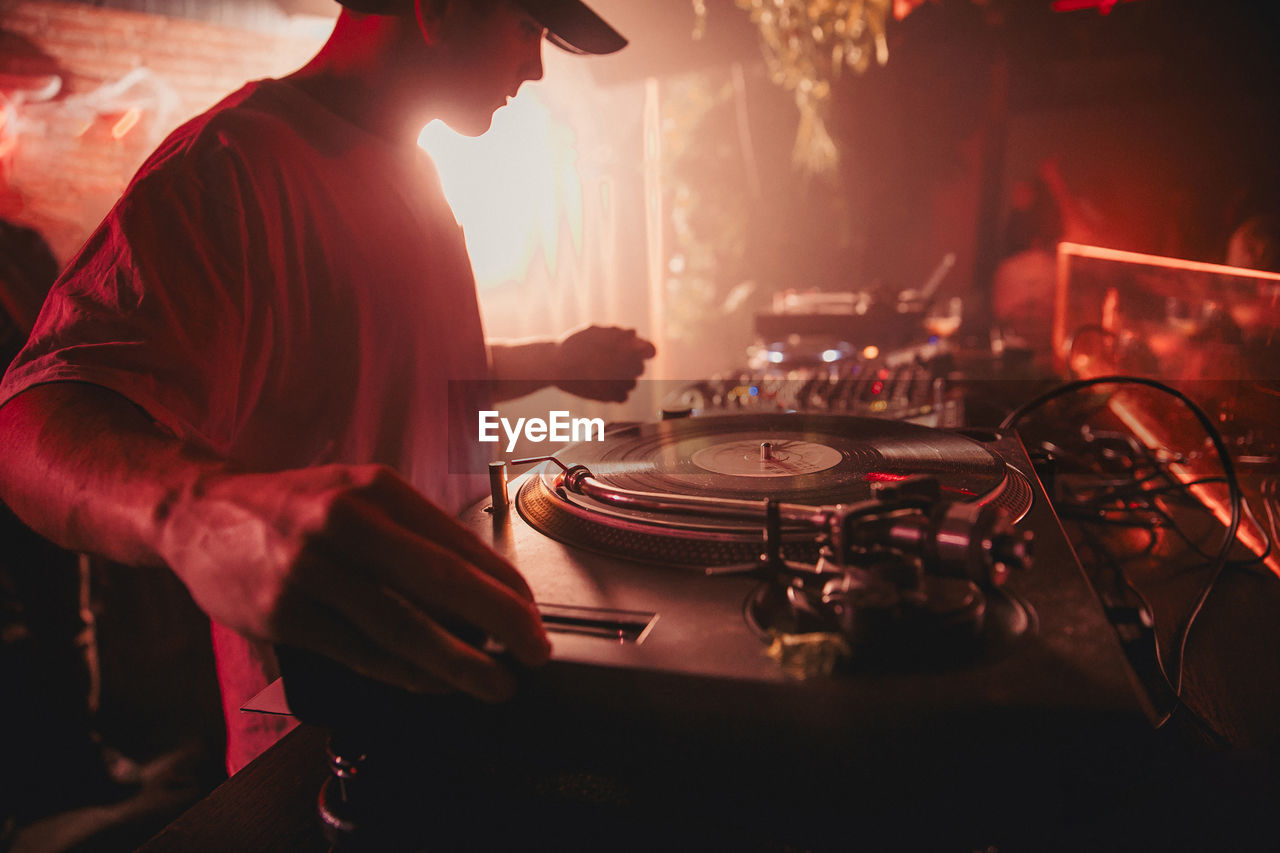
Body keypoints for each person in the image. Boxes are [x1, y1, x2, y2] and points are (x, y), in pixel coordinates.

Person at [0, 0, 653, 774]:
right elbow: (32, 415)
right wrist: (194, 511)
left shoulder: (416, 170)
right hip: (322, 743)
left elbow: (390, 364)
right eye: (525, 25)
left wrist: (555, 359)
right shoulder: (229, 164)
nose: (536, 65)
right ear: (437, 9)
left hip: (445, 698)